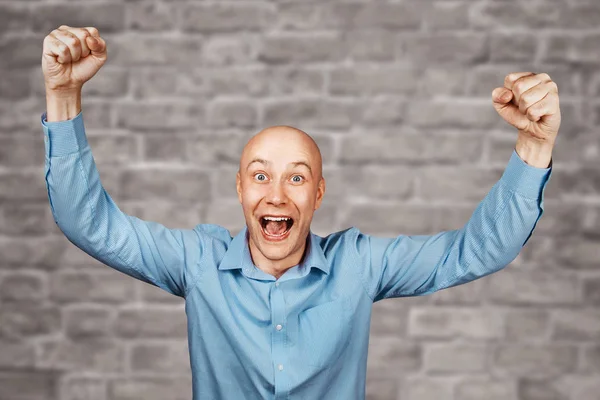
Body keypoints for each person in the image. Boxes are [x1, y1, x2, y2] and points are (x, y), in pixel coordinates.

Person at [40, 25, 559, 399]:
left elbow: (475, 251)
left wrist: (534, 147)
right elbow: (90, 223)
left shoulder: (359, 265)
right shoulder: (197, 261)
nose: (277, 195)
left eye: (297, 177)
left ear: (318, 194)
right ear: (240, 188)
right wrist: (63, 97)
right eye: (261, 175)